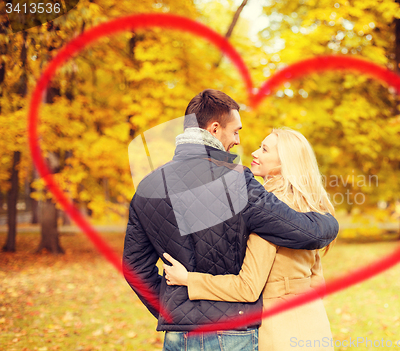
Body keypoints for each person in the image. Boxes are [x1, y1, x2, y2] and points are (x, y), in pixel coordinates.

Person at [122, 89, 339, 351]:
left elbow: (133, 268)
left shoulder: (147, 187)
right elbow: (305, 232)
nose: (238, 141)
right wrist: (330, 222)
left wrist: (173, 308)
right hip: (232, 332)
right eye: (235, 131)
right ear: (215, 129)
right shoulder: (237, 182)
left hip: (178, 335)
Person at [163, 127, 336, 351]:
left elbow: (247, 288)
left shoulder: (269, 211)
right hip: (314, 325)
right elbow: (317, 282)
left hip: (279, 330)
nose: (255, 152)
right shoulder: (310, 206)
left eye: (264, 149)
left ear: (285, 163)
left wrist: (188, 279)